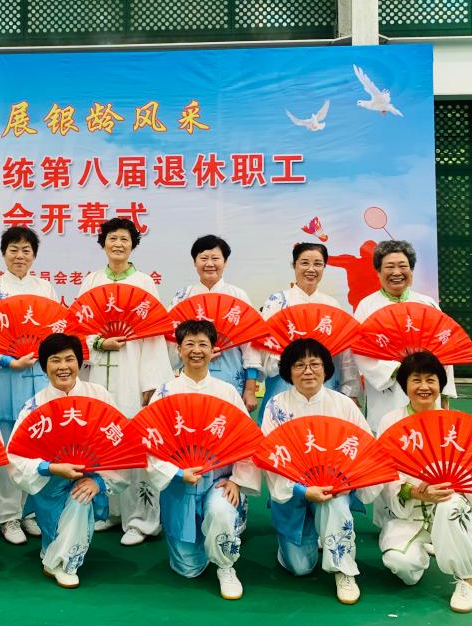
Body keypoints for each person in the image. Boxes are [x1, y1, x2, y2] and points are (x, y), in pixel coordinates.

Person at [145, 320, 261, 600]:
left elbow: (247, 439)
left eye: (203, 345)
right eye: (189, 344)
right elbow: (150, 442)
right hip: (179, 483)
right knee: (188, 569)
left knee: (221, 512)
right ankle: (199, 545)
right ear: (179, 350)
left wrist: (237, 480)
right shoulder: (165, 392)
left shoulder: (227, 392)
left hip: (219, 479)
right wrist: (177, 473)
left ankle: (226, 566)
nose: (196, 350)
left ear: (213, 350)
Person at [260, 338, 380, 605]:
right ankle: (291, 544)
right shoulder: (276, 406)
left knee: (335, 504)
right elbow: (271, 457)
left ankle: (344, 569)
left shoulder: (343, 405)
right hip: (294, 492)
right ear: (288, 371)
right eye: (299, 365)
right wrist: (303, 490)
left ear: (326, 369)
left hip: (332, 488)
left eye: (315, 364)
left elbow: (365, 448)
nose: (308, 371)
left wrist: (345, 482)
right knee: (300, 568)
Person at [78, 217, 174, 546]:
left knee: (134, 443)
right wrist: (98, 343)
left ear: (133, 245)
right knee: (102, 440)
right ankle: (110, 511)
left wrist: (151, 383)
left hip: (133, 374)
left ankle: (141, 520)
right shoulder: (91, 281)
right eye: (112, 238)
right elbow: (79, 327)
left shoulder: (144, 283)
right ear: (103, 243)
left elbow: (153, 336)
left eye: (124, 239)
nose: (118, 244)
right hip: (97, 374)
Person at [7, 333, 128, 588]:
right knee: (53, 534)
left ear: (80, 362)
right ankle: (53, 551)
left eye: (69, 359)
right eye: (55, 360)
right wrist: (49, 467)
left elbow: (121, 444)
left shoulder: (99, 396)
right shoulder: (35, 406)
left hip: (88, 479)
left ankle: (65, 563)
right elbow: (15, 457)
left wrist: (98, 482)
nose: (63, 366)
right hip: (50, 481)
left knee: (81, 497)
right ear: (44, 367)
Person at [374, 351, 472, 613]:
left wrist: (450, 487)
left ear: (440, 384)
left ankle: (467, 579)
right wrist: (414, 491)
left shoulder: (455, 424)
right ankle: (423, 550)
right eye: (416, 380)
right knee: (401, 564)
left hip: (447, 506)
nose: (424, 387)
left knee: (451, 505)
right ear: (405, 385)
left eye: (431, 380)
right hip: (408, 512)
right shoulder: (390, 422)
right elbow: (384, 472)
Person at [0, 227, 57, 545]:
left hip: (38, 376)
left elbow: (56, 331)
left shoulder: (45, 288)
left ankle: (30, 511)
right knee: (8, 445)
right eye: (13, 249)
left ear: (34, 255)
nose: (20, 256)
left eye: (26, 250)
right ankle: (7, 515)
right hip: (5, 379)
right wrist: (9, 361)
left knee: (38, 444)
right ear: (3, 253)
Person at [353, 240, 456, 430]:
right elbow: (360, 351)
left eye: (403, 266)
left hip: (426, 390)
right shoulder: (367, 307)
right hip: (388, 391)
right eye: (389, 267)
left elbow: (445, 350)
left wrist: (445, 391)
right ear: (378, 271)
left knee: (429, 437)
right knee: (389, 435)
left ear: (411, 270)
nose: (397, 272)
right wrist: (399, 370)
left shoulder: (427, 304)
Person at [250, 242, 359, 420]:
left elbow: (344, 352)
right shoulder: (276, 301)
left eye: (318, 264)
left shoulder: (332, 305)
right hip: (284, 381)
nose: (311, 269)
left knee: (324, 429)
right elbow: (263, 342)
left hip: (324, 382)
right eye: (304, 263)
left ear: (324, 267)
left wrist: (350, 390)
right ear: (294, 265)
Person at [170, 235, 259, 413]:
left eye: (215, 258)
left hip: (231, 374)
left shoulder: (238, 296)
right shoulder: (182, 297)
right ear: (194, 262)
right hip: (191, 373)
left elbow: (251, 343)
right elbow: (171, 341)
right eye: (203, 258)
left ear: (225, 262)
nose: (209, 263)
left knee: (225, 421)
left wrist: (250, 389)